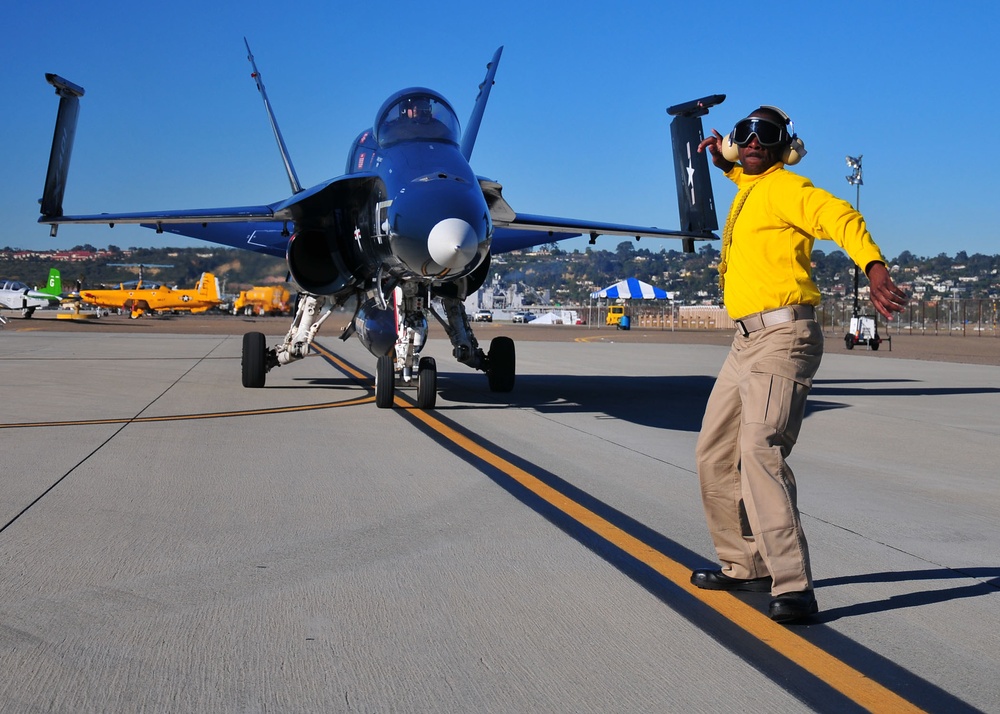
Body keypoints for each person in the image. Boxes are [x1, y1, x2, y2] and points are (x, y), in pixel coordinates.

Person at [692, 106, 908, 623]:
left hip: (783, 337)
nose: (750, 140)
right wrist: (725, 156)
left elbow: (841, 217)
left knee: (759, 449)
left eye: (763, 134)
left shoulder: (787, 187)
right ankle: (745, 565)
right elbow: (742, 171)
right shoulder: (748, 186)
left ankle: (794, 585)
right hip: (744, 341)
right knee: (713, 455)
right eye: (745, 132)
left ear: (783, 145)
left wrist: (873, 265)